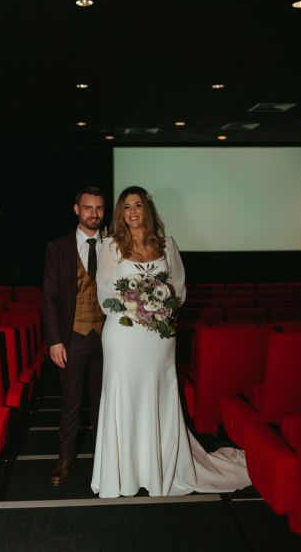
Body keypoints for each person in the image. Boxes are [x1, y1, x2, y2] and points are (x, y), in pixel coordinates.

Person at [91, 186, 251, 497]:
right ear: (120, 213)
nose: (132, 212)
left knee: (159, 396)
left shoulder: (166, 245)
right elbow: (105, 293)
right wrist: (136, 307)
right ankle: (122, 474)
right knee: (124, 395)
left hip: (158, 338)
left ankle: (159, 470)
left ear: (146, 210)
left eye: (138, 205)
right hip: (123, 336)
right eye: (126, 207)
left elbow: (178, 289)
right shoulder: (110, 246)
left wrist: (160, 308)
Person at [43, 186, 105, 485]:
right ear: (76, 209)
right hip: (73, 338)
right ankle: (65, 461)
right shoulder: (58, 247)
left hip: (110, 338)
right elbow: (50, 299)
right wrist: (54, 340)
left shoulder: (116, 246)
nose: (94, 214)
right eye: (88, 208)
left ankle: (105, 460)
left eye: (99, 208)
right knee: (70, 403)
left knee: (105, 403)